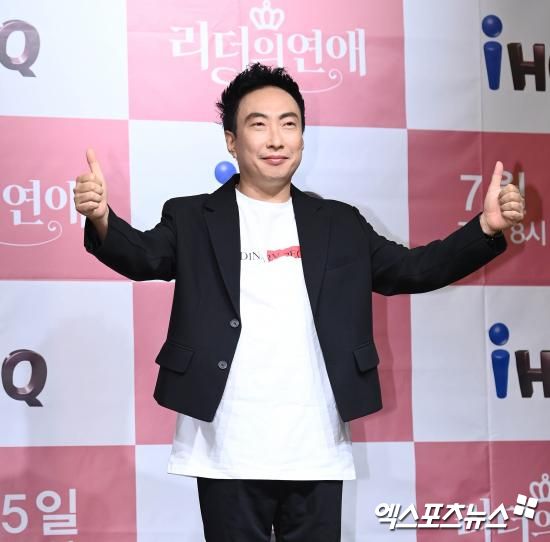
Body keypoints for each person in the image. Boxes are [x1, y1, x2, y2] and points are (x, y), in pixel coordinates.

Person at [74, 63, 525, 541]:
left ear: (303, 137)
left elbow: (413, 270)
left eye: (289, 124)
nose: (276, 139)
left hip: (316, 445)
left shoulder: (339, 223)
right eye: (259, 124)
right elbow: (143, 257)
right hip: (226, 446)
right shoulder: (192, 218)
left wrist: (484, 228)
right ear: (231, 141)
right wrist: (102, 218)